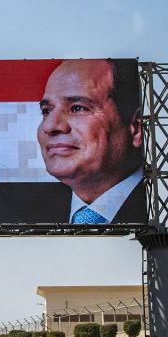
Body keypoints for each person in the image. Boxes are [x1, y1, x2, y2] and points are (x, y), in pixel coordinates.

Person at [37, 59, 145, 224]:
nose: (50, 126)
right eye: (47, 111)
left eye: (77, 108)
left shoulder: (157, 207)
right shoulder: (18, 210)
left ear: (136, 128)